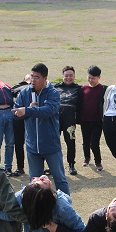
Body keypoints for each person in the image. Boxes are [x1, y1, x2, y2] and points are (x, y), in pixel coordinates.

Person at [13, 63, 70, 195]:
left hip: (51, 145)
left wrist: (29, 110)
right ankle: (36, 205)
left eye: (36, 77)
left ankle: (65, 204)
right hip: (32, 147)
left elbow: (48, 110)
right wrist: (26, 110)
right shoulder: (25, 92)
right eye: (32, 76)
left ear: (45, 78)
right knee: (35, 183)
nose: (33, 80)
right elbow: (15, 113)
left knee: (60, 179)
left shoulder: (53, 93)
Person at [54, 66, 83, 175]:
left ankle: (71, 165)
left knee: (70, 142)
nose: (68, 78)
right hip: (56, 118)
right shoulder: (55, 87)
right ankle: (55, 165)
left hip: (70, 119)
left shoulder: (79, 89)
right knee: (54, 142)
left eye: (71, 75)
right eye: (66, 75)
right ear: (62, 76)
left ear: (74, 76)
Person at [79, 65, 107, 171]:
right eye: (89, 77)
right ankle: (86, 158)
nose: (91, 80)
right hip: (85, 120)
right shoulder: (83, 89)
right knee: (85, 142)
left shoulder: (104, 89)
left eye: (93, 78)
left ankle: (98, 161)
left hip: (97, 121)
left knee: (94, 143)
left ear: (99, 77)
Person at [9, 74, 31, 176]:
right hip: (18, 118)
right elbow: (11, 91)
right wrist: (24, 83)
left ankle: (38, 167)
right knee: (18, 143)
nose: (31, 78)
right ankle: (20, 167)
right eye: (28, 77)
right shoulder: (19, 87)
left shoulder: (37, 87)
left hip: (32, 116)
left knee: (35, 142)